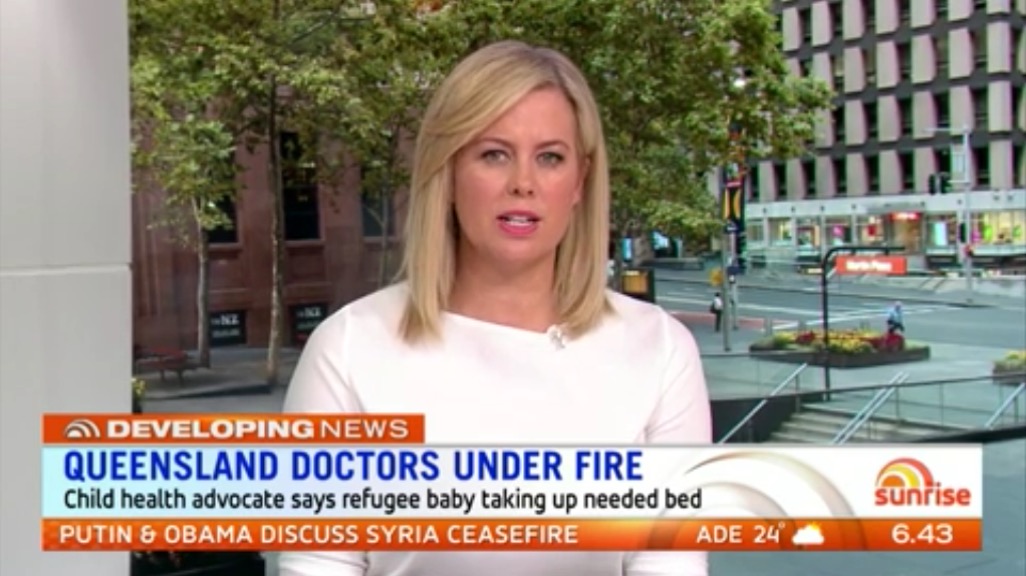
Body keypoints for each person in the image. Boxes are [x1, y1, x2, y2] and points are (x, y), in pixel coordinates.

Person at [280, 40, 711, 576]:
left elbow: (670, 562)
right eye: (493, 154)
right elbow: (317, 562)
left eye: (550, 157)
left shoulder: (660, 349)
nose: (523, 184)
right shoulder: (348, 348)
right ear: (448, 173)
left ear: (579, 180)